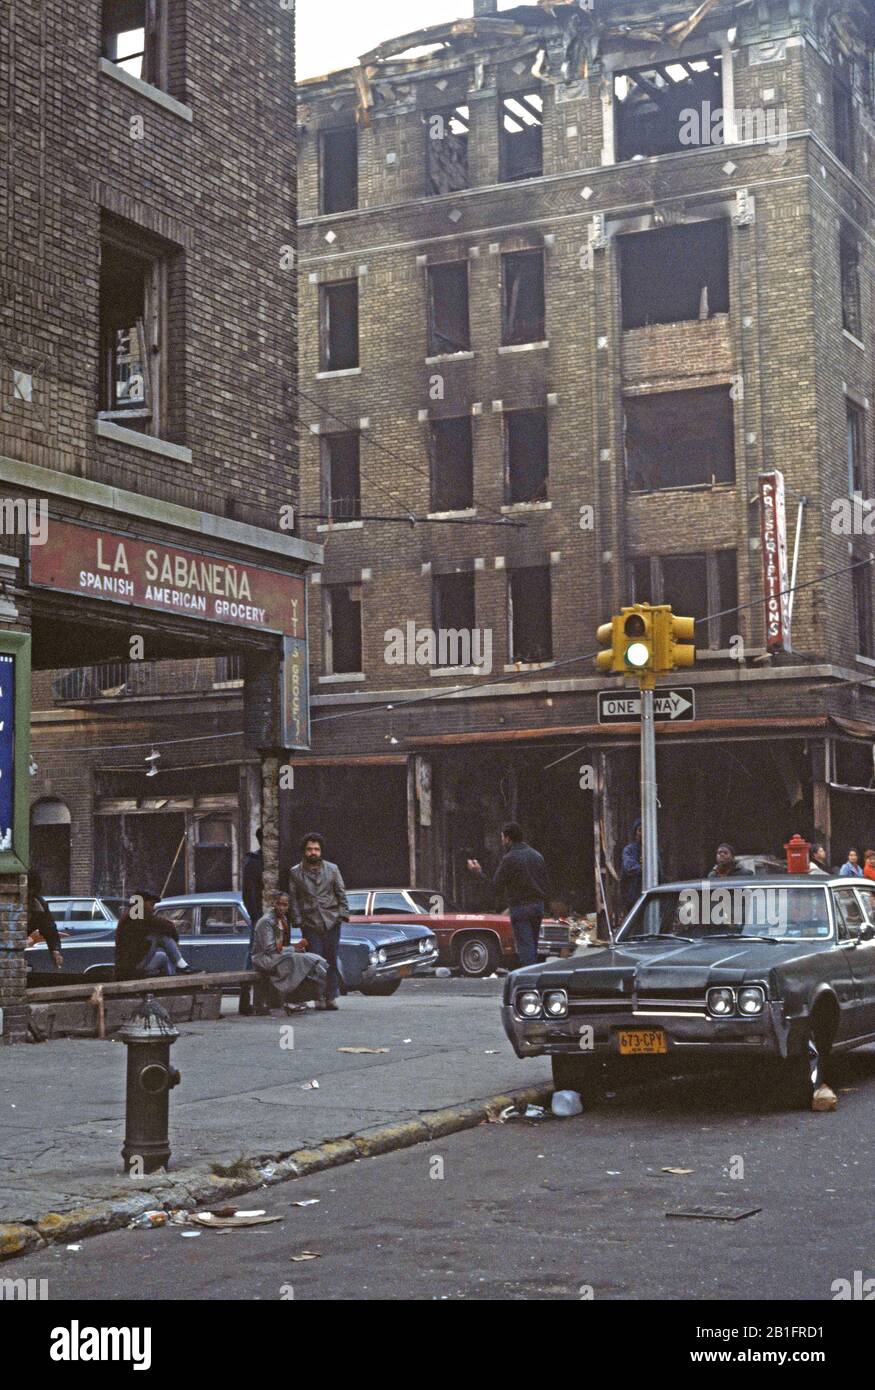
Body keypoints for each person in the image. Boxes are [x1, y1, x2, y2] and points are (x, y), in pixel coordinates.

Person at [467, 822, 549, 968]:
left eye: (502, 837)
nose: (502, 841)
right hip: (538, 906)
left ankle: (527, 981)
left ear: (508, 839)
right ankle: (534, 976)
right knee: (532, 945)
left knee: (525, 947)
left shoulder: (510, 858)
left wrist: (478, 872)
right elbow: (546, 883)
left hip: (520, 907)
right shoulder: (537, 856)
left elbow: (495, 886)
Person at [288, 834, 348, 1011]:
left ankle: (331, 996)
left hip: (331, 920)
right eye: (309, 849)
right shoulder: (295, 872)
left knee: (331, 958)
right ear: (304, 851)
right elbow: (293, 898)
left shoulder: (332, 869)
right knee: (315, 960)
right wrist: (298, 920)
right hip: (310, 921)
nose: (313, 852)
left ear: (321, 851)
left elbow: (340, 892)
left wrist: (342, 914)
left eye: (316, 849)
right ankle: (318, 997)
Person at [251, 891, 327, 1014]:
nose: (282, 907)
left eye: (285, 905)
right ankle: (290, 999)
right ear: (274, 904)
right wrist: (294, 948)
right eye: (279, 904)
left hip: (279, 955)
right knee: (300, 961)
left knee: (314, 959)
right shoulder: (266, 921)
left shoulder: (283, 919)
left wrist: (295, 948)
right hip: (264, 957)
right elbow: (269, 948)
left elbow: (283, 945)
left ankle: (300, 998)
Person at [115, 890, 198, 981]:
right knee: (159, 936)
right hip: (132, 967)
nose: (153, 908)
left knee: (163, 956)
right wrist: (176, 940)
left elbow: (159, 925)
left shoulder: (132, 914)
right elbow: (166, 925)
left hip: (134, 964)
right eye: (151, 904)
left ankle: (172, 982)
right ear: (142, 903)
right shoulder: (135, 914)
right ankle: (183, 967)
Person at [239, 827, 264, 1015]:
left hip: (264, 916)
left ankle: (257, 1000)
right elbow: (248, 893)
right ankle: (245, 1000)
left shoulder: (259, 861)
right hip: (259, 917)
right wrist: (256, 916)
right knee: (252, 957)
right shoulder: (253, 862)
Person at [26, 870, 63, 970]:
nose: (28, 897)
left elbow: (51, 933)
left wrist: (55, 950)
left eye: (31, 893)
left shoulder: (39, 906)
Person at [619, 820, 643, 913]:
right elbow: (630, 867)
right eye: (640, 830)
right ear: (635, 833)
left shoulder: (653, 849)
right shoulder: (629, 850)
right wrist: (645, 868)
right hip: (633, 896)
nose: (643, 833)